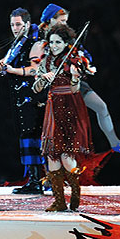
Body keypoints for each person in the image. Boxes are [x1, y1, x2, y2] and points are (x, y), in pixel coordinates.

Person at [35, 3, 120, 152]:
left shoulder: (68, 39)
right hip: (55, 89)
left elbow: (85, 55)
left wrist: (81, 62)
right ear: (50, 20)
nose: (65, 24)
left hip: (74, 82)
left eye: (66, 21)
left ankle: (114, 142)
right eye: (62, 21)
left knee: (101, 107)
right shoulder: (41, 42)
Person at [32, 24, 93, 211]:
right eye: (51, 42)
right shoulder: (46, 62)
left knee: (67, 156)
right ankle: (59, 201)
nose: (54, 46)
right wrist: (44, 79)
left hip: (70, 107)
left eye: (58, 42)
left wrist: (74, 77)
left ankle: (75, 195)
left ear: (66, 43)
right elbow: (35, 89)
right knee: (52, 155)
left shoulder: (73, 61)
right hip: (53, 108)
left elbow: (75, 89)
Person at [0, 8, 44, 195]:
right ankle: (34, 179)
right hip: (20, 98)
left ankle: (37, 181)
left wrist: (12, 70)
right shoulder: (17, 44)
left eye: (18, 24)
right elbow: (6, 62)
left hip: (31, 98)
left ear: (27, 24)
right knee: (26, 136)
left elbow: (35, 69)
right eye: (12, 24)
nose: (14, 28)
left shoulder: (34, 43)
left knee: (32, 136)